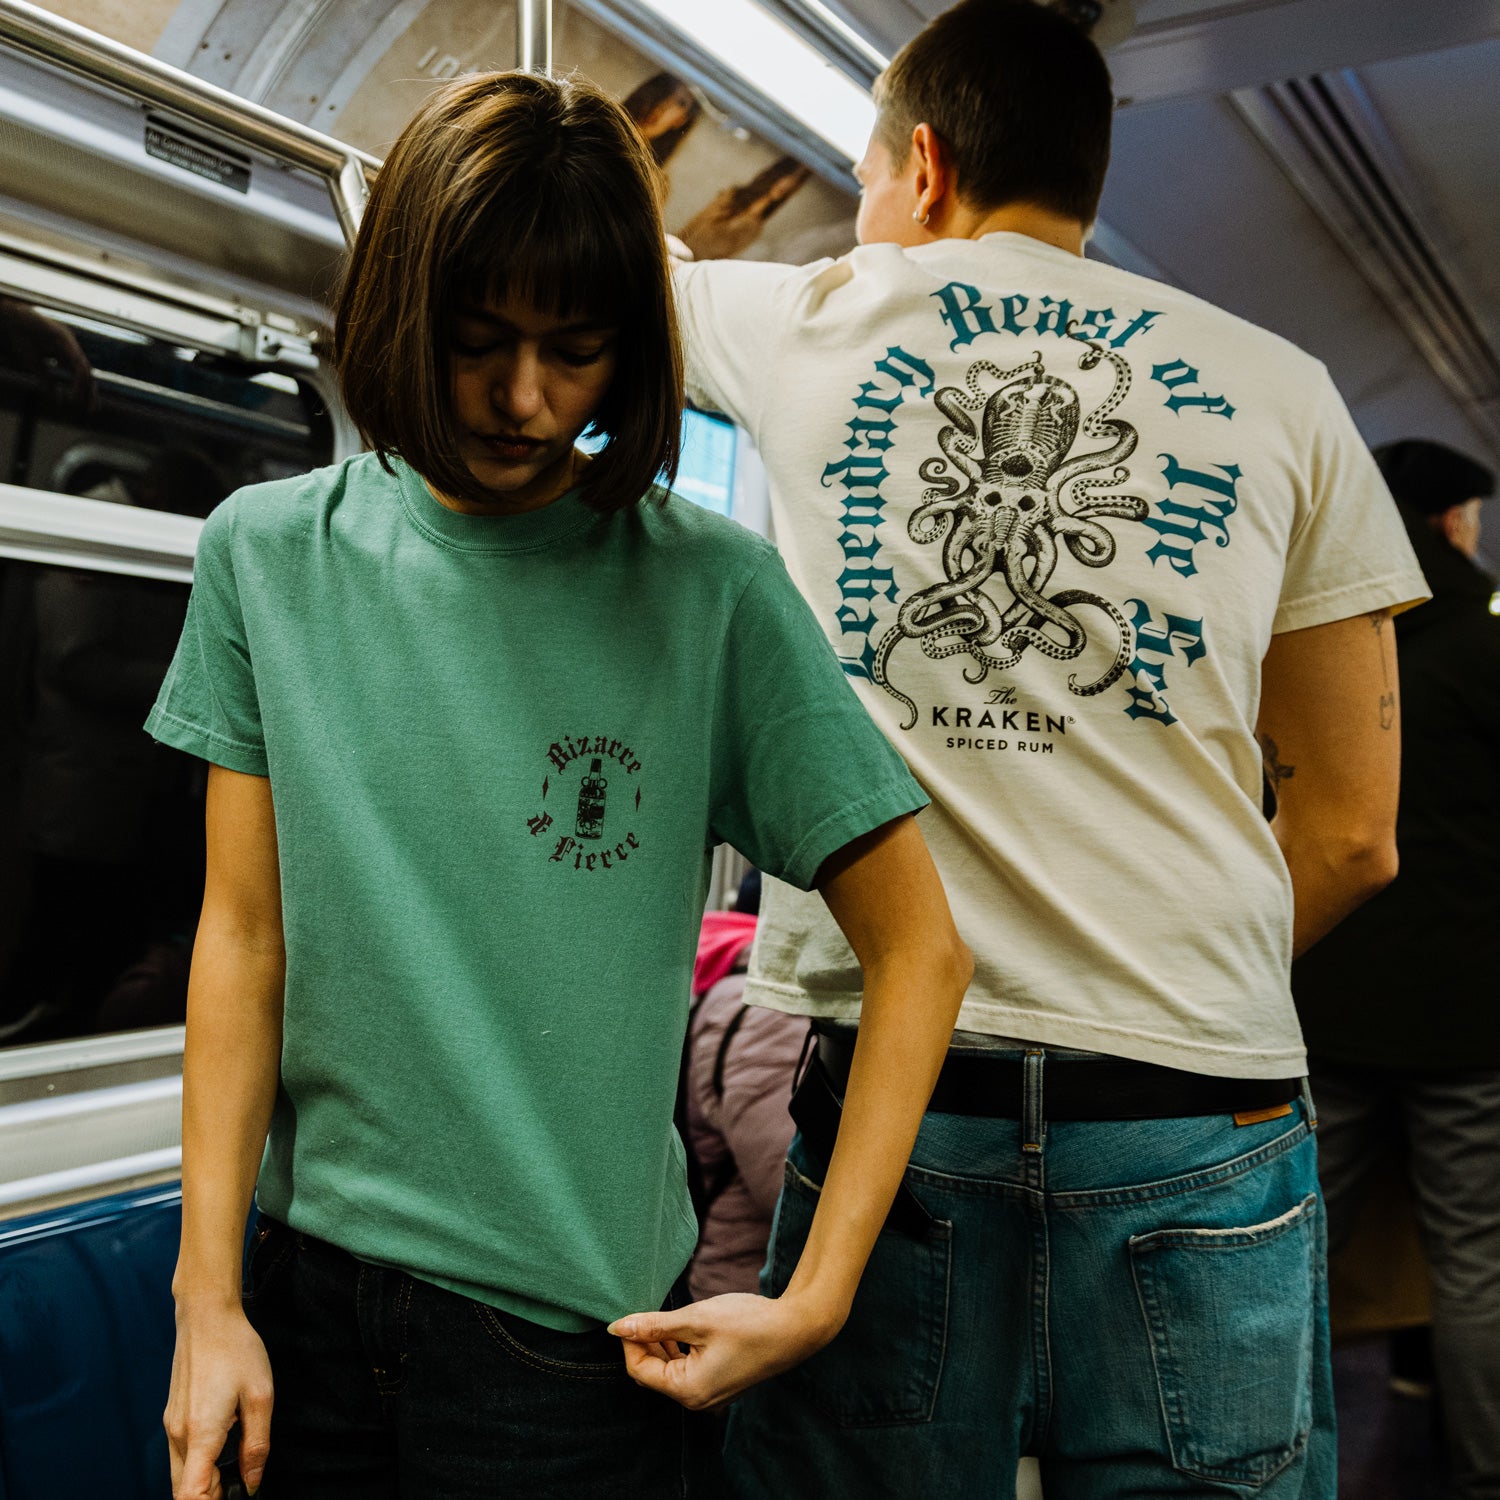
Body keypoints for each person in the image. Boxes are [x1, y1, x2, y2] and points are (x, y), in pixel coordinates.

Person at [154, 73, 971, 1500]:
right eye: (477, 343)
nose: (525, 399)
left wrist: (817, 1294)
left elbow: (921, 950)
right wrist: (204, 1299)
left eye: (576, 352)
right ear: (401, 314)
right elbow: (244, 936)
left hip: (562, 1354)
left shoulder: (707, 592)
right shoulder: (265, 556)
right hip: (305, 1306)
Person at [671, 2, 1429, 1493]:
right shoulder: (1287, 388)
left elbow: (590, 259)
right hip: (1191, 1104)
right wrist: (1161, 974)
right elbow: (1353, 832)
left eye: (867, 180)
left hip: (900, 1113)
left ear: (925, 167)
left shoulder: (814, 315)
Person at [1293, 438, 1500, 1500]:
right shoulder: (1488, 643)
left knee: (1293, 1248)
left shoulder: (1311, 636)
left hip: (1327, 999)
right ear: (1454, 523)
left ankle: (1278, 1461)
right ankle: (1481, 1477)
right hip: (1471, 1016)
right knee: (1477, 1261)